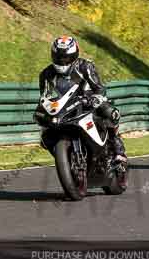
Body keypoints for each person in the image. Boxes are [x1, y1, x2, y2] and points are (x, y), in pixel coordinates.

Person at [38, 36, 127, 166]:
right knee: (45, 135)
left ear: (75, 55)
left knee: (110, 112)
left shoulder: (85, 66)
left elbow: (99, 88)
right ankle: (65, 158)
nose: (62, 61)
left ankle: (117, 144)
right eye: (59, 57)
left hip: (88, 102)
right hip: (64, 108)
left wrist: (95, 97)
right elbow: (45, 96)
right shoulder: (46, 74)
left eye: (66, 57)